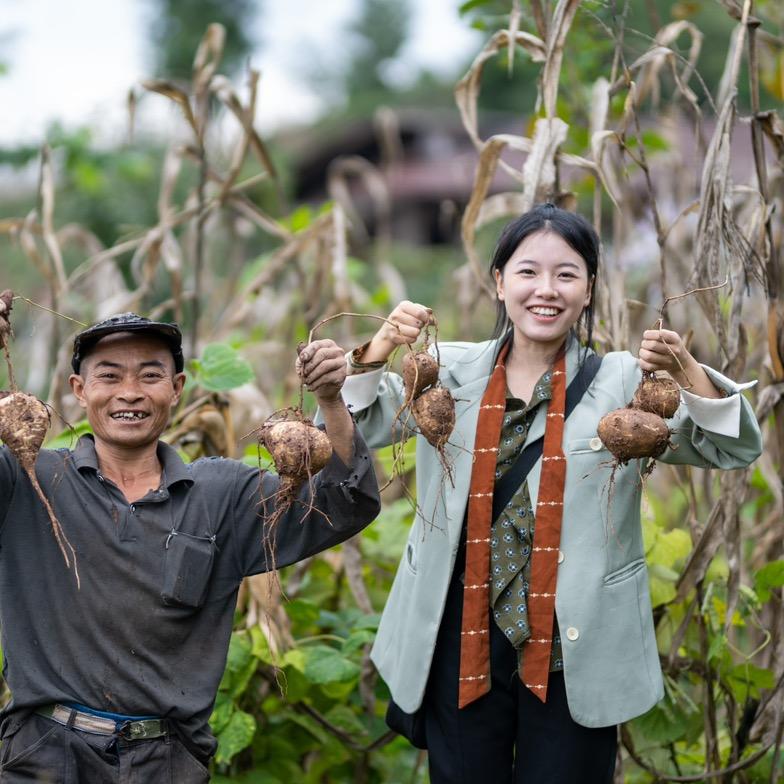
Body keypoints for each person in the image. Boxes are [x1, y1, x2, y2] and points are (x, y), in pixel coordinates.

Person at [339, 203, 763, 784]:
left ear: (588, 289)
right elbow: (358, 429)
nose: (547, 290)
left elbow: (731, 449)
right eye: (527, 272)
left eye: (566, 274)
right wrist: (379, 347)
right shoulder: (447, 370)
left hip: (575, 645)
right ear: (499, 282)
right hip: (461, 638)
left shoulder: (623, 383)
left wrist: (686, 368)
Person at [0, 312, 380, 782]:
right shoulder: (27, 479)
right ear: (79, 390)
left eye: (150, 375)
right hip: (44, 756)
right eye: (110, 376)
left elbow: (346, 504)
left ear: (177, 388)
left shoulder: (223, 494)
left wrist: (330, 399)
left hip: (167, 761)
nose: (130, 392)